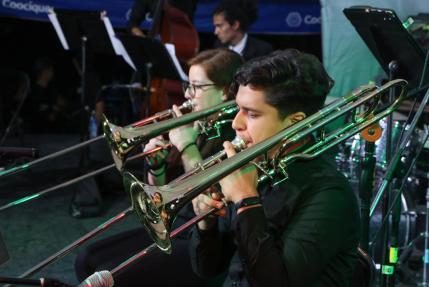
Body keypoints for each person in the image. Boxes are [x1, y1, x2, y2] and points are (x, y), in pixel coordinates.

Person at [189, 49, 361, 286]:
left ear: (295, 122)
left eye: (251, 114)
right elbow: (208, 269)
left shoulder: (330, 195)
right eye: (238, 109)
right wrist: (205, 225)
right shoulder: (255, 166)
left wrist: (246, 200)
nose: (236, 123)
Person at [74, 48, 243, 287]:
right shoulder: (197, 124)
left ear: (225, 91)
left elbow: (206, 197)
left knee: (113, 276)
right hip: (175, 227)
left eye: (197, 86)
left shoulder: (235, 133)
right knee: (86, 258)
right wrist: (157, 167)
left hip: (206, 241)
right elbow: (162, 199)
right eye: (188, 85)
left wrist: (186, 147)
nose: (188, 95)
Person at [128, 0, 198, 37]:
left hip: (181, 37)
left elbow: (187, 12)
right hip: (156, 38)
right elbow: (133, 22)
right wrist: (141, 37)